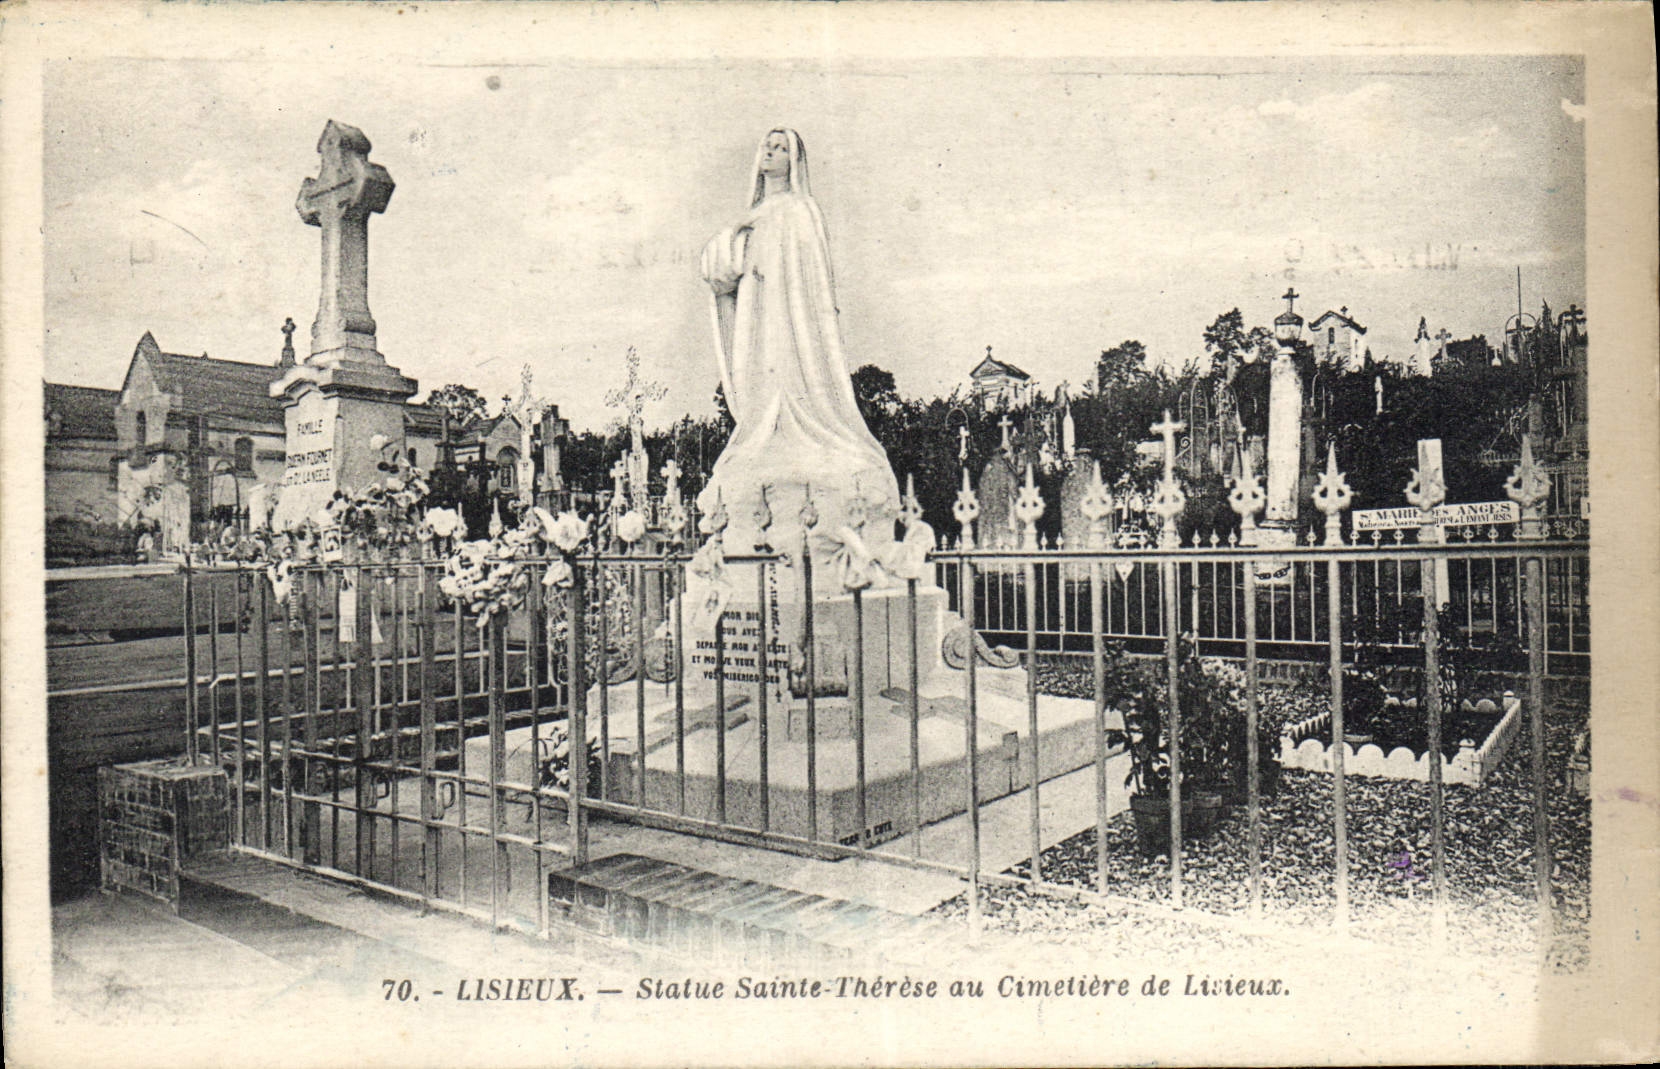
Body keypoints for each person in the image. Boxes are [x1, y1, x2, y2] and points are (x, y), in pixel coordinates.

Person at [696, 128, 899, 556]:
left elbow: (815, 282)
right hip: (760, 317)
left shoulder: (802, 209)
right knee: (764, 372)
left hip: (795, 323)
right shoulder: (753, 215)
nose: (772, 153)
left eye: (781, 148)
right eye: (767, 147)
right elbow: (719, 271)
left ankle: (801, 425)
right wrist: (735, 233)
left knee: (792, 369)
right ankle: (767, 429)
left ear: (795, 160)